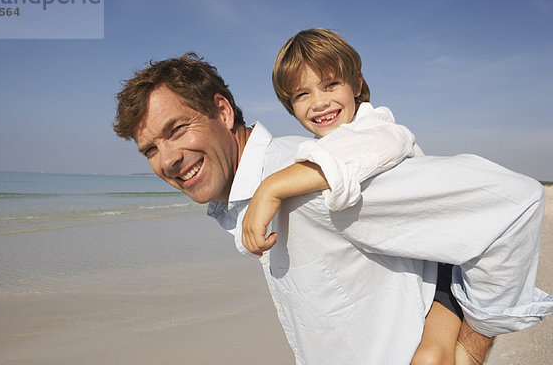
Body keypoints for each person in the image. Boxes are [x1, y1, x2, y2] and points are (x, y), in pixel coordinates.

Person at [113, 53, 550, 365]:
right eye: (150, 148)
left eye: (177, 129)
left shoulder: (312, 180)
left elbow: (512, 204)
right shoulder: (252, 194)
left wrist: (468, 349)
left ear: (222, 112)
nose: (167, 158)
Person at [240, 28, 460, 364]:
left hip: (442, 276)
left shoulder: (377, 126)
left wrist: (270, 188)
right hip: (412, 275)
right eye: (302, 94)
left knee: (432, 356)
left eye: (330, 85)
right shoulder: (328, 143)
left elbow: (377, 146)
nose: (319, 102)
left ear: (356, 85)